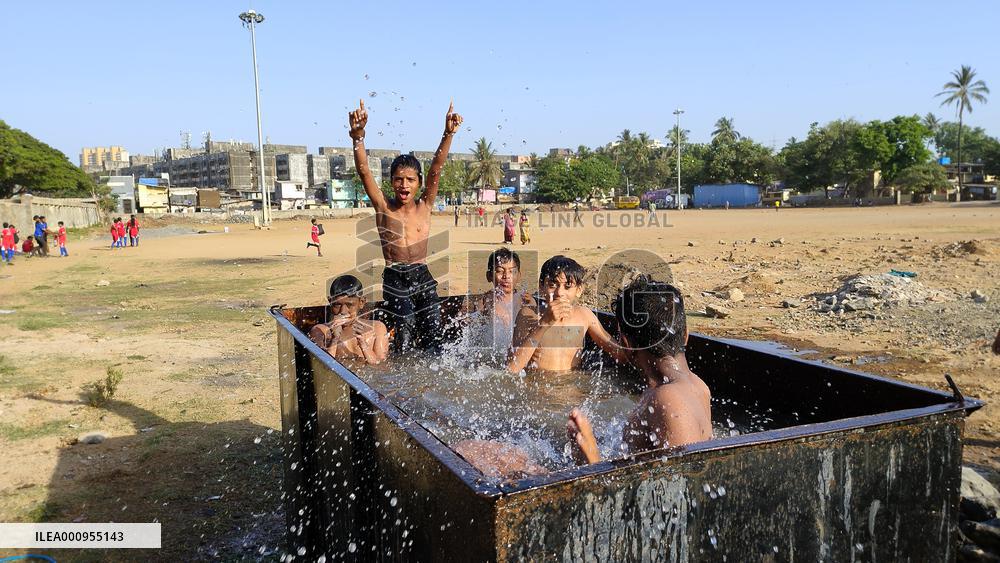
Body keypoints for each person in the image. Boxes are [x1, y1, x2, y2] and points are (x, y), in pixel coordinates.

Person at [349, 98, 463, 353]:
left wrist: (448, 134)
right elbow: (365, 171)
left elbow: (436, 168)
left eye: (410, 180)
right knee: (406, 328)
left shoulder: (425, 206)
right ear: (391, 182)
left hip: (422, 275)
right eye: (399, 179)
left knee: (433, 329)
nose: (404, 185)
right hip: (395, 277)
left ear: (419, 183)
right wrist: (358, 137)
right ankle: (403, 379)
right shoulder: (383, 206)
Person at [567, 276, 712, 464]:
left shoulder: (668, 399)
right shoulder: (700, 388)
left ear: (626, 344)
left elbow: (682, 485)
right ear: (685, 335)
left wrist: (592, 459)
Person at [507, 255, 627, 373]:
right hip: (539, 388)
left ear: (579, 290)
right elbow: (512, 368)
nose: (559, 292)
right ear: (541, 286)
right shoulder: (529, 315)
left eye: (567, 286)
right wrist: (543, 324)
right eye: (552, 285)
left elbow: (620, 355)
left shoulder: (584, 316)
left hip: (573, 387)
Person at [309, 275, 389, 365]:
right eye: (337, 305)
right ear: (330, 302)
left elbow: (382, 367)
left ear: (361, 302)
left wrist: (363, 344)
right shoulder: (320, 331)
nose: (343, 311)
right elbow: (322, 367)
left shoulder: (377, 328)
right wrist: (334, 340)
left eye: (349, 305)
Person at [464, 248, 528, 355]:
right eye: (499, 271)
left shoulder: (525, 301)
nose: (506, 276)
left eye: (512, 271)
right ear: (489, 276)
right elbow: (475, 331)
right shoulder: (485, 302)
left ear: (519, 276)